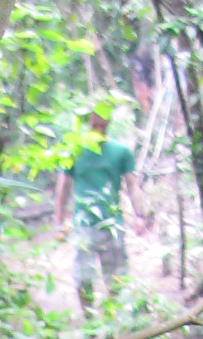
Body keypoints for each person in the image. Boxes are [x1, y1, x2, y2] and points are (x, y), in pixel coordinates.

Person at [54, 104, 151, 308]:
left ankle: (110, 324)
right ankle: (89, 324)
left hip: (112, 224)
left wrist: (139, 215)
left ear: (108, 123)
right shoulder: (75, 151)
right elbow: (62, 187)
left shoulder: (120, 152)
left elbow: (132, 184)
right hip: (84, 225)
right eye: (94, 124)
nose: (98, 127)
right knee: (83, 278)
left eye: (102, 124)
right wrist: (59, 220)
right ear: (87, 123)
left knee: (117, 278)